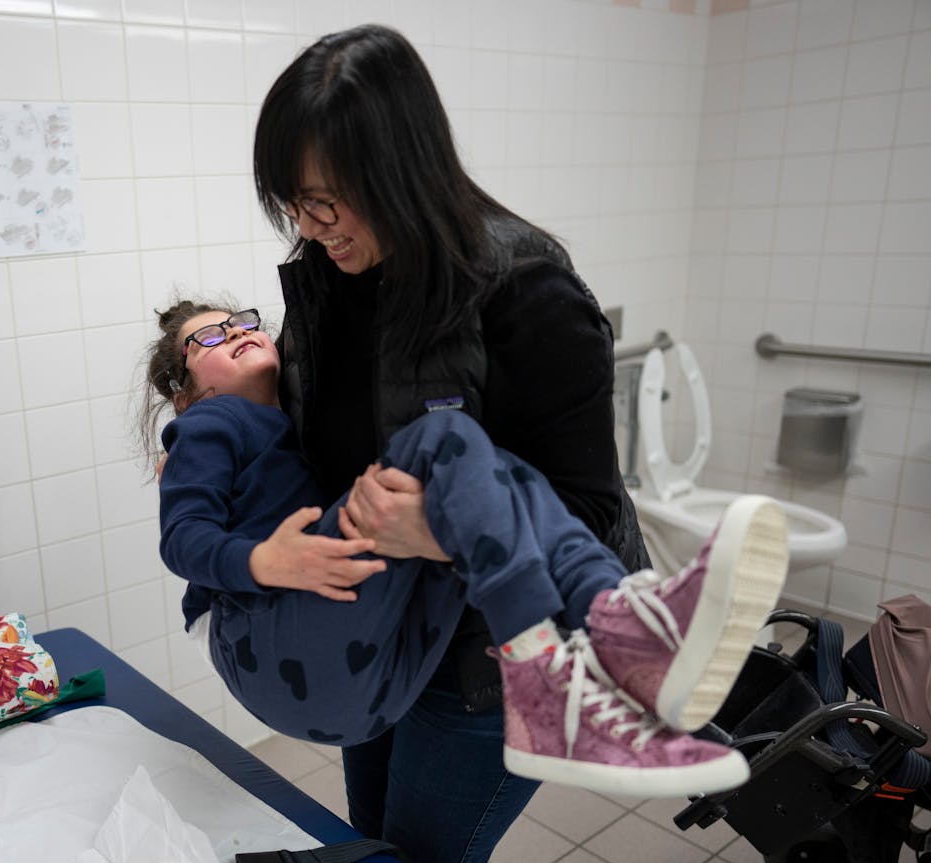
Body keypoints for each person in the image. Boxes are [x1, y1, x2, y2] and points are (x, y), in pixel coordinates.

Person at [243, 23, 668, 863]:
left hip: (500, 651)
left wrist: (436, 530)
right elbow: (320, 452)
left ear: (397, 168)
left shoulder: (525, 291)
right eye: (294, 204)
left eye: (327, 202)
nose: (311, 229)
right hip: (385, 634)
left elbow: (587, 511)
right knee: (379, 861)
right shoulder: (325, 283)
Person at [140, 299, 788, 801]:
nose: (240, 331)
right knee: (444, 437)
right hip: (264, 637)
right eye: (212, 337)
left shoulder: (290, 416)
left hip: (331, 666)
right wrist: (263, 561)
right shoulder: (207, 423)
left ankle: (621, 634)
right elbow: (183, 538)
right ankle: (603, 625)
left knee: (490, 482)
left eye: (242, 320)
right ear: (185, 390)